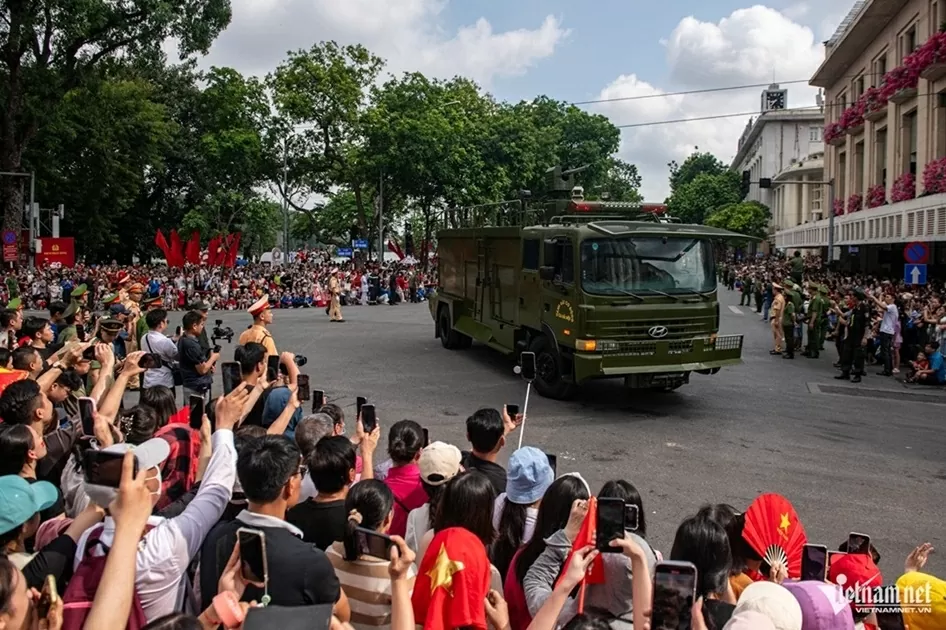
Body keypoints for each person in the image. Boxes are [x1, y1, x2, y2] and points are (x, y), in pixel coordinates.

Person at [198, 434, 349, 617]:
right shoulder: (310, 560)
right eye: (299, 472)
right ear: (290, 485)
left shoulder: (214, 537)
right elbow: (341, 614)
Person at [178, 310, 219, 402]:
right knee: (198, 413)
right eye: (201, 324)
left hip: (191, 384)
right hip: (197, 386)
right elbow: (202, 369)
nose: (202, 327)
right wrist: (213, 358)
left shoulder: (183, 339)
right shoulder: (191, 344)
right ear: (194, 326)